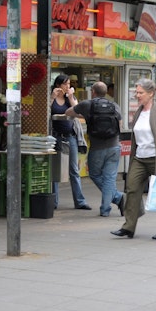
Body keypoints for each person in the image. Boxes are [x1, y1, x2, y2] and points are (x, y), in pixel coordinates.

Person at [111, 78, 156, 240]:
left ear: (150, 94)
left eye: (140, 92)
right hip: (140, 157)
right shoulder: (138, 112)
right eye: (136, 92)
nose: (137, 95)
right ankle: (128, 227)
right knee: (131, 188)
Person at [66, 81, 125, 218]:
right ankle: (105, 209)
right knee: (110, 178)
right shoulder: (115, 106)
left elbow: (69, 112)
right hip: (114, 146)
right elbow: (120, 125)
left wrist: (74, 102)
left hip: (97, 147)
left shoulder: (88, 104)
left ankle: (118, 198)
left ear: (93, 92)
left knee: (94, 174)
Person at [50, 74, 90, 210]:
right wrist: (51, 98)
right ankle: (53, 201)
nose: (68, 87)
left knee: (74, 169)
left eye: (69, 84)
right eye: (65, 84)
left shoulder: (69, 98)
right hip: (55, 136)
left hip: (70, 136)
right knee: (54, 169)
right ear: (58, 85)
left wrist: (71, 97)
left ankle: (80, 201)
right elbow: (44, 112)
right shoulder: (52, 97)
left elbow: (78, 111)